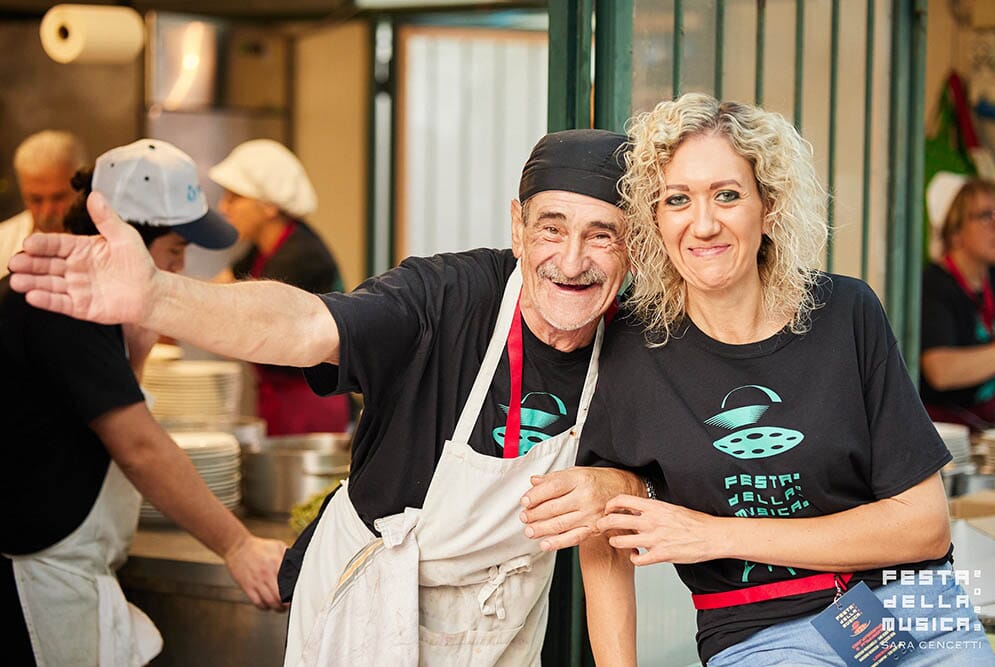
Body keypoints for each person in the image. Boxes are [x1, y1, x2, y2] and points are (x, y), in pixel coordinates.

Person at [6, 129, 645, 665]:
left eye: (602, 235)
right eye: (551, 229)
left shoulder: (638, 342)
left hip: (502, 621)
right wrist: (159, 297)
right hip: (371, 607)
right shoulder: (445, 298)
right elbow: (303, 325)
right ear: (517, 225)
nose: (571, 260)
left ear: (633, 246)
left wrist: (627, 489)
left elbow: (614, 530)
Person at [546, 93, 991, 666]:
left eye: (727, 195)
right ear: (655, 219)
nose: (703, 225)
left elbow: (925, 527)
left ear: (769, 207)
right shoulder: (632, 346)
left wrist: (718, 533)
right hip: (760, 632)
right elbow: (602, 531)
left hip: (911, 609)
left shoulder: (845, 313)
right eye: (677, 199)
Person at [1, 139, 288, 667]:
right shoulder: (59, 300)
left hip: (71, 571)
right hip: (37, 583)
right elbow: (137, 446)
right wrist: (237, 546)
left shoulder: (94, 299)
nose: (180, 269)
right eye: (175, 252)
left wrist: (140, 336)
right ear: (124, 237)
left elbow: (105, 413)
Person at [209, 139, 352, 436]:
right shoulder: (263, 248)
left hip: (312, 402)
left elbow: (248, 326)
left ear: (269, 206)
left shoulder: (300, 256)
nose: (223, 207)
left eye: (234, 197)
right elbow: (221, 290)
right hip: (279, 398)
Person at [920, 177, 995, 430]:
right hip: (943, 430)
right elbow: (941, 372)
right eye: (986, 216)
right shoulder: (934, 284)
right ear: (955, 232)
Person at [0, 130, 86, 277]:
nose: (47, 211)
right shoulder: (3, 243)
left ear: (81, 188)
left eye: (58, 197)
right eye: (36, 199)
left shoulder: (113, 242)